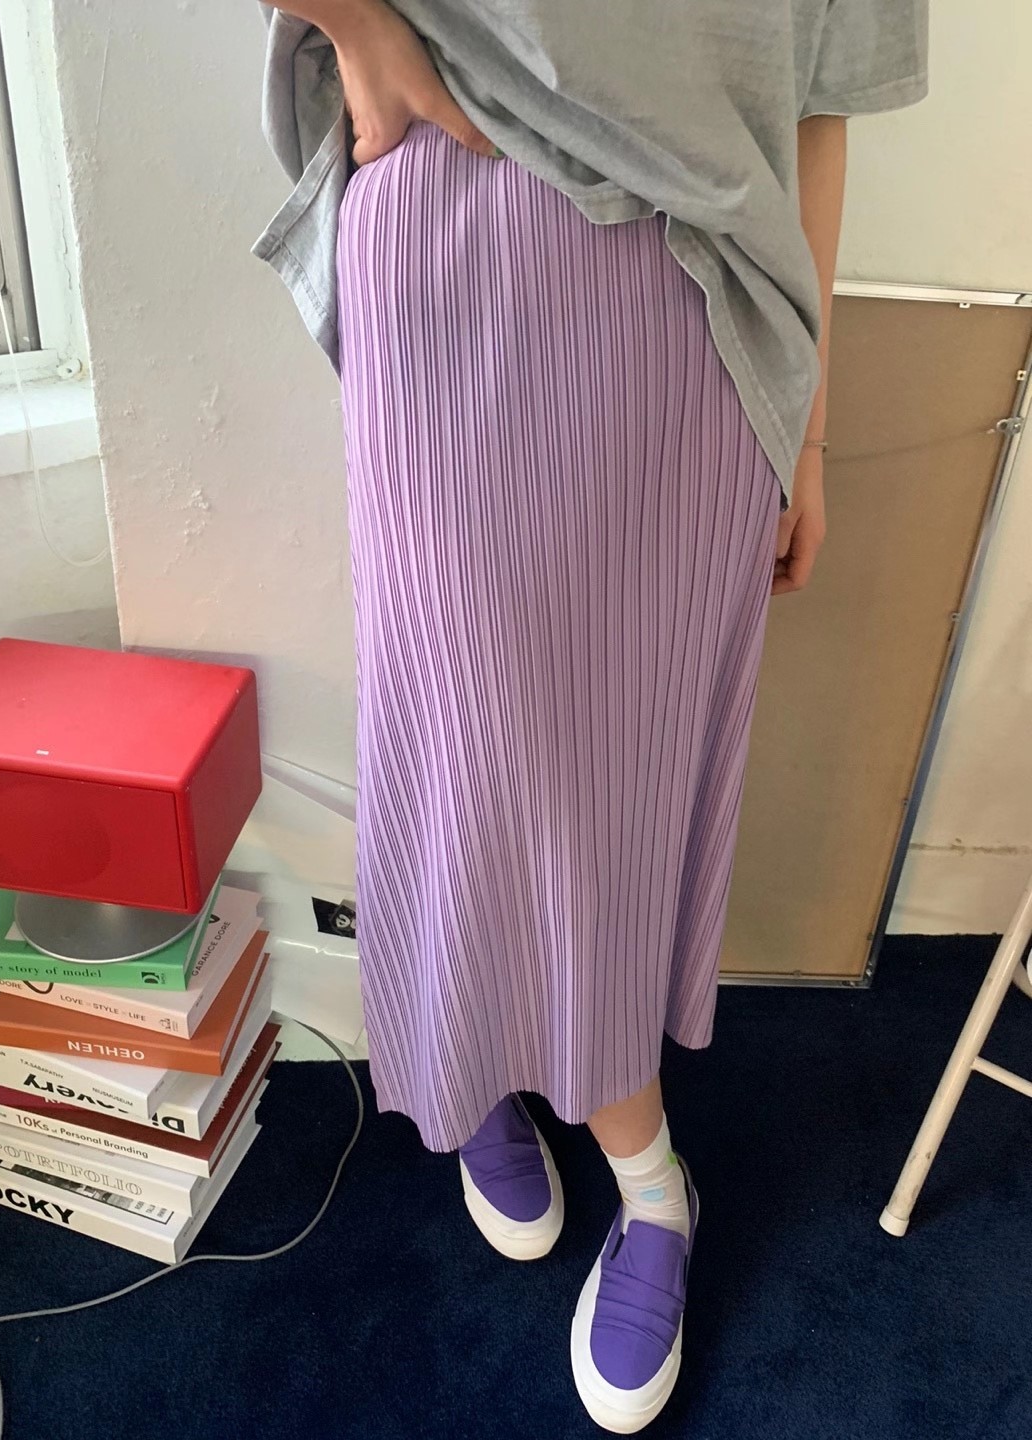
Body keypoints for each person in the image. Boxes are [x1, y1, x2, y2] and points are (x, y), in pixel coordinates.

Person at [254, 2, 929, 1430]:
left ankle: (646, 1173)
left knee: (621, 780)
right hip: (452, 220)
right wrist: (363, 33)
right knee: (459, 733)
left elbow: (821, 101)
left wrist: (808, 430)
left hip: (702, 304)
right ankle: (500, 1067)